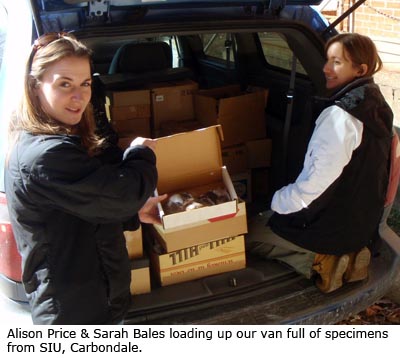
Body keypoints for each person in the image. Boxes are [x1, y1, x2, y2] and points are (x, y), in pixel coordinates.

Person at [5, 32, 165, 324]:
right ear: (35, 86)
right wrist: (139, 154)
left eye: (86, 83)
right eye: (64, 84)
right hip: (74, 313)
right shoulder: (45, 155)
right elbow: (120, 195)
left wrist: (133, 213)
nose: (79, 97)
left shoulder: (62, 139)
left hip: (99, 299)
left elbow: (86, 206)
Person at [247, 33, 393, 293]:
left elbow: (312, 188)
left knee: (249, 234)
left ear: (361, 69)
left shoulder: (340, 117)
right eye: (327, 60)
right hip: (362, 223)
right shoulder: (375, 103)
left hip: (329, 226)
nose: (325, 68)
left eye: (337, 62)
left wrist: (273, 202)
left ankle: (321, 261)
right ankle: (350, 255)